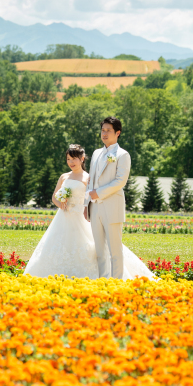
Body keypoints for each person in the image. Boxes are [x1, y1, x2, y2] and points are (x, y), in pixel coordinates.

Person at [23, 143, 154, 280]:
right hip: (63, 217)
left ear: (82, 158)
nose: (71, 162)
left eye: (74, 159)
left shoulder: (88, 178)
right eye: (68, 159)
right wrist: (60, 203)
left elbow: (91, 198)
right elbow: (54, 196)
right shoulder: (64, 177)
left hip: (81, 217)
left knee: (93, 247)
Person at [85, 116, 129, 279]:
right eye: (102, 130)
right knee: (99, 251)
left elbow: (120, 181)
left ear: (117, 133)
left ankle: (116, 282)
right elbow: (91, 179)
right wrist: (87, 204)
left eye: (108, 130)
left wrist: (99, 192)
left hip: (112, 207)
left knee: (115, 250)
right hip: (94, 207)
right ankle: (103, 281)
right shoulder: (96, 153)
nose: (104, 133)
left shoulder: (123, 155)